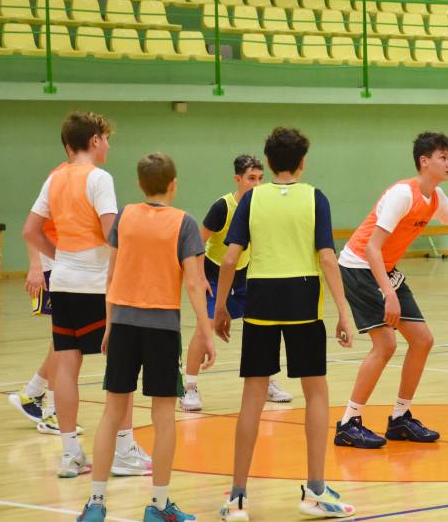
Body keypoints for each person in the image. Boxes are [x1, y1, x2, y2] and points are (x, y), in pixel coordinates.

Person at [215, 127, 355, 521]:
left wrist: (220, 306)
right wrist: (344, 311)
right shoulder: (315, 197)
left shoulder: (251, 198)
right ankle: (315, 490)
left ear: (269, 161)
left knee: (252, 397)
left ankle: (237, 497)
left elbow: (230, 259)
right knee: (316, 394)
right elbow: (327, 257)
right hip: (303, 298)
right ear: (302, 162)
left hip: (260, 297)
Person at [76, 152, 215, 522]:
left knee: (112, 412)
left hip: (123, 324)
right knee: (164, 416)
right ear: (173, 184)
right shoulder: (184, 223)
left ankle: (95, 504)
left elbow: (110, 275)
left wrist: (109, 325)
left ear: (139, 184)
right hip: (162, 329)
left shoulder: (124, 217)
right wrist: (206, 332)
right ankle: (158, 505)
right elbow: (194, 284)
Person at [333, 132, 448, 449]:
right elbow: (372, 248)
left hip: (384, 267)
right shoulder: (402, 194)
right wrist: (389, 293)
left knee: (422, 340)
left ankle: (400, 418)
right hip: (359, 265)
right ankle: (348, 423)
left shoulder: (436, 197)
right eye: (443, 157)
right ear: (424, 161)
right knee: (386, 344)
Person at [22, 111, 151, 478]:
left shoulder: (55, 178)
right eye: (106, 139)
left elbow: (30, 230)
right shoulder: (99, 178)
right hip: (96, 285)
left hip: (63, 281)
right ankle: (123, 450)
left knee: (66, 365)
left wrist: (63, 256)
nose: (108, 145)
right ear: (94, 140)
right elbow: (113, 234)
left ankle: (70, 454)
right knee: (121, 363)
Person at [180, 154, 293, 412]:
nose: (257, 183)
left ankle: (267, 382)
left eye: (261, 178)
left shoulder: (262, 205)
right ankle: (189, 387)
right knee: (206, 327)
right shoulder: (222, 207)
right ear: (238, 179)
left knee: (264, 327)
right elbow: (197, 241)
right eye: (251, 178)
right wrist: (200, 277)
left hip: (245, 273)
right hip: (214, 273)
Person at [8, 145, 74, 436]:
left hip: (68, 262)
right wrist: (35, 266)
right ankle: (51, 413)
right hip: (53, 262)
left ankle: (32, 394)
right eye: (103, 138)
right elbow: (32, 225)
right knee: (64, 340)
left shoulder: (86, 176)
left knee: (65, 339)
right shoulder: (59, 176)